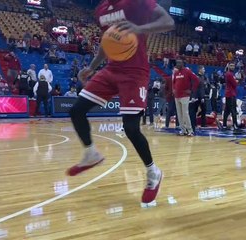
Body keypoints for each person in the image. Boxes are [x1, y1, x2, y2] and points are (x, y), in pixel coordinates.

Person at [67, 0, 175, 207]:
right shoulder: (100, 9)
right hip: (111, 70)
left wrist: (140, 28)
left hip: (135, 72)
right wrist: (91, 67)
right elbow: (106, 43)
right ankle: (91, 154)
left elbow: (168, 21)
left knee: (131, 128)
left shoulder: (137, 2)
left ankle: (153, 172)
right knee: (76, 110)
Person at [173, 59, 199, 136]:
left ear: (183, 64)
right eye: (177, 63)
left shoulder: (187, 71)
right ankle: (183, 130)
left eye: (179, 63)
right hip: (177, 96)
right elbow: (174, 82)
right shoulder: (176, 73)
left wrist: (192, 90)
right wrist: (174, 89)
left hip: (185, 96)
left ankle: (190, 130)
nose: (177, 64)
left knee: (185, 113)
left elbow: (196, 80)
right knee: (179, 114)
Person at [222, 62, 239, 130]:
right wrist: (236, 81)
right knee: (233, 110)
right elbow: (235, 84)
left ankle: (224, 124)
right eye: (231, 65)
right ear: (228, 66)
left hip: (228, 94)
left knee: (227, 110)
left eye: (233, 65)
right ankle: (235, 125)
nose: (232, 67)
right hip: (231, 94)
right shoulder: (230, 74)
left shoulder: (228, 74)